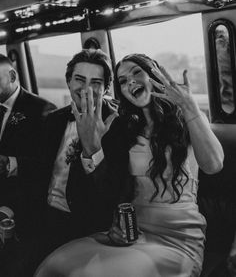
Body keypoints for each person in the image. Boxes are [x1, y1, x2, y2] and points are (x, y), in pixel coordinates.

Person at [35, 53, 224, 277]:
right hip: (133, 231)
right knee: (54, 265)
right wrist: (92, 148)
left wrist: (188, 105)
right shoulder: (121, 128)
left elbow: (213, 164)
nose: (130, 82)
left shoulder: (187, 116)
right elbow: (110, 189)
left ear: (154, 75)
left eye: (136, 73)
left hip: (178, 235)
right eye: (123, 81)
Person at [8, 49, 123, 277]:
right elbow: (42, 167)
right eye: (79, 79)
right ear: (69, 82)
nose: (86, 88)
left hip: (84, 227)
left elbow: (113, 193)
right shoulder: (54, 119)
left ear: (107, 88)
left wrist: (93, 148)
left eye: (96, 82)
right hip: (42, 217)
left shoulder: (118, 126)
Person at [0, 54, 56, 235]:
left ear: (13, 77)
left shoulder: (42, 110)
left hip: (21, 202)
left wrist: (9, 163)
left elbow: (46, 165)